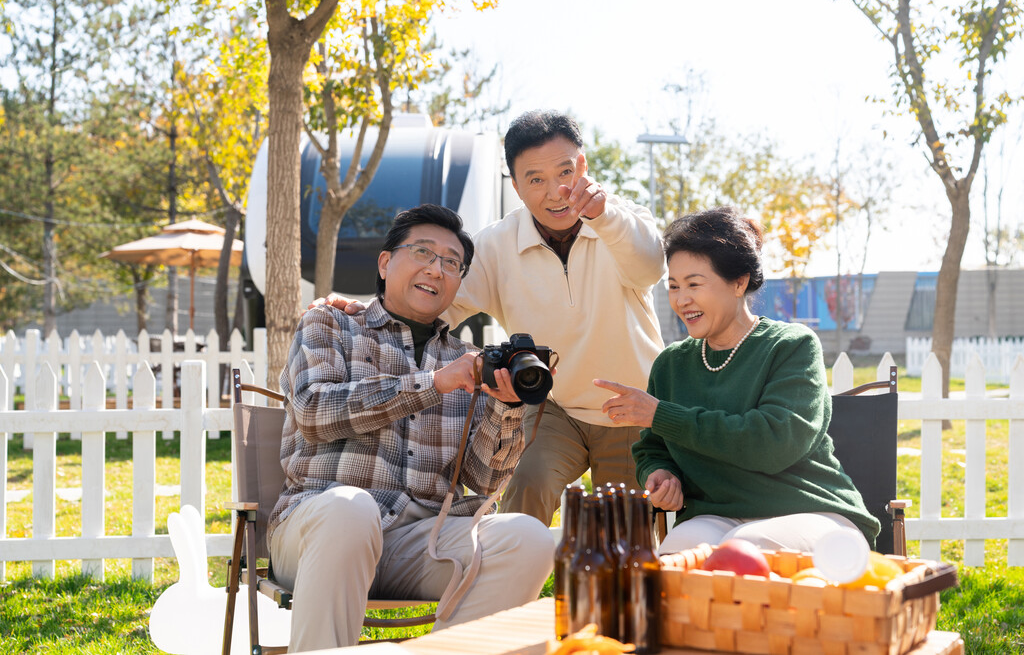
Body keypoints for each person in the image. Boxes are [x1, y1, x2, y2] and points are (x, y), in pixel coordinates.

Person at [320, 110, 666, 525]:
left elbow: (650, 268)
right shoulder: (494, 246)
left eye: (565, 171)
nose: (555, 191)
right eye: (535, 179)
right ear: (516, 186)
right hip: (551, 403)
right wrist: (364, 308)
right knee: (524, 489)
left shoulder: (624, 221)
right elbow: (432, 303)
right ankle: (509, 585)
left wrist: (604, 217)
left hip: (629, 406)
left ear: (584, 167)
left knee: (624, 531)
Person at [269, 204, 554, 651]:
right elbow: (312, 409)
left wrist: (506, 409)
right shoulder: (331, 323)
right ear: (386, 263)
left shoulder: (465, 360)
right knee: (351, 508)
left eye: (451, 262)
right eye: (423, 252)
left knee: (529, 538)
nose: (435, 269)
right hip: (319, 530)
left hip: (420, 542)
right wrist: (431, 384)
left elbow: (482, 482)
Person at [594, 206, 879, 554]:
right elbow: (653, 448)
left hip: (812, 511)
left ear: (739, 282)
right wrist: (660, 474)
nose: (682, 300)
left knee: (746, 548)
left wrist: (661, 414)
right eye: (673, 286)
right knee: (677, 552)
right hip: (717, 515)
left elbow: (773, 443)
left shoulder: (791, 346)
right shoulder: (671, 364)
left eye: (694, 284)